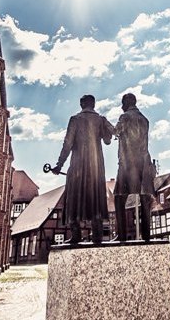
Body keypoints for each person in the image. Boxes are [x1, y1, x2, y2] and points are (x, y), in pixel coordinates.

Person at [51, 94, 114, 244]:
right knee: (96, 197)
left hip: (78, 165)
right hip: (96, 166)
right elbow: (107, 141)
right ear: (93, 104)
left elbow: (67, 144)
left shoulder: (75, 119)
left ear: (81, 104)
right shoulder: (101, 120)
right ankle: (97, 236)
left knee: (73, 197)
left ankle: (76, 235)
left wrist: (59, 164)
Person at [112, 93, 156, 241]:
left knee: (118, 198)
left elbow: (115, 132)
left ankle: (122, 236)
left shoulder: (125, 117)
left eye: (122, 103)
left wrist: (105, 125)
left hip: (128, 163)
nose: (121, 106)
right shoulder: (144, 119)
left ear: (126, 102)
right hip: (144, 162)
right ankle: (146, 236)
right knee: (144, 199)